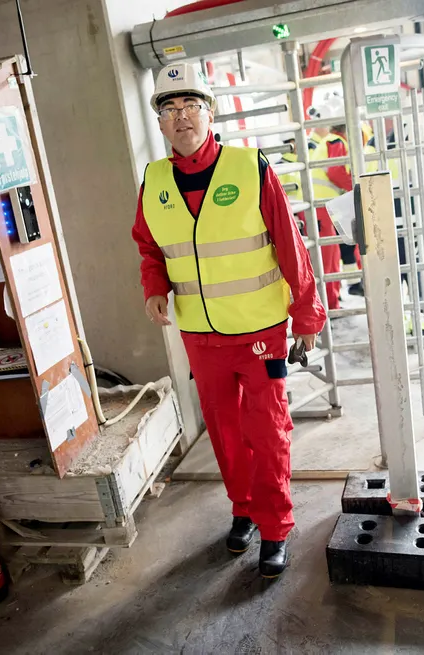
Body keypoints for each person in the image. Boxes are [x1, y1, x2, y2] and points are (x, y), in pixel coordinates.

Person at [131, 63, 326, 578]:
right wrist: (155, 287)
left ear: (209, 113)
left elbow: (291, 245)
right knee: (223, 432)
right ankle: (243, 509)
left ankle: (276, 526)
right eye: (169, 109)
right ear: (159, 122)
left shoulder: (249, 168)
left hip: (260, 332)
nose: (180, 118)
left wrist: (306, 312)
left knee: (268, 431)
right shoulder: (153, 181)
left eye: (190, 106)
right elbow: (150, 246)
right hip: (201, 335)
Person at [306, 95, 354, 309]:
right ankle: (329, 305)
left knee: (330, 255)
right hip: (322, 204)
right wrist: (356, 185)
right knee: (328, 257)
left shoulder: (329, 141)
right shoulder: (336, 140)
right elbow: (335, 171)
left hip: (322, 203)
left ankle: (331, 301)